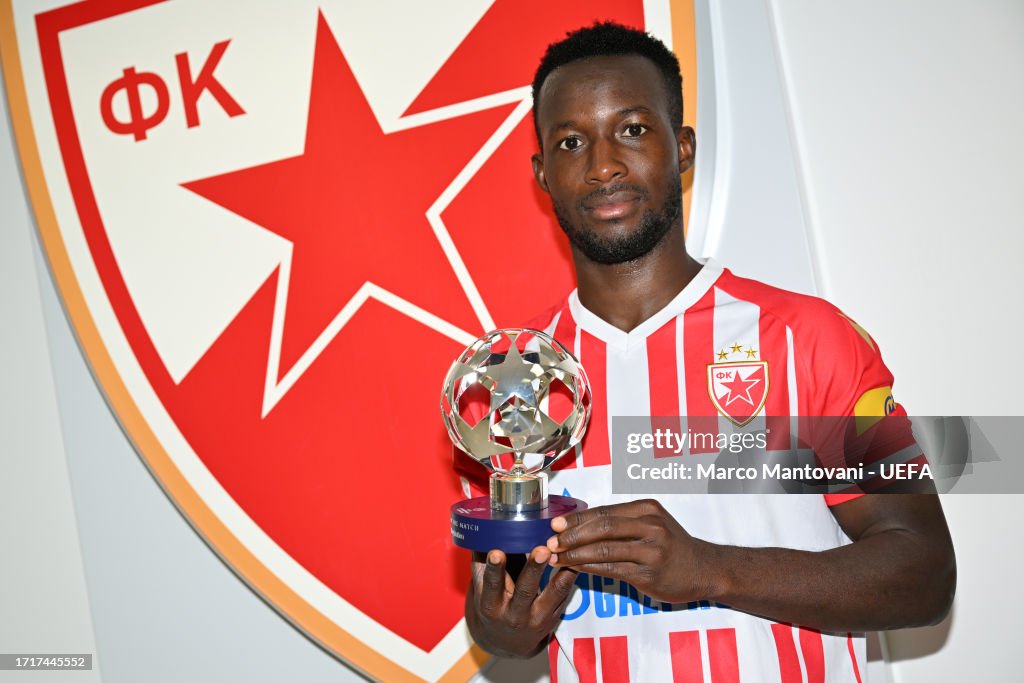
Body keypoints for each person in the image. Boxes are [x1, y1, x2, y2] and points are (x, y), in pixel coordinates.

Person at [458, 22, 955, 682]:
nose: (603, 164)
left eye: (632, 129)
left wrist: (709, 568)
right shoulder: (511, 385)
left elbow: (923, 572)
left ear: (683, 148)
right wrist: (503, 625)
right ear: (543, 173)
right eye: (571, 142)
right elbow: (506, 616)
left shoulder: (808, 338)